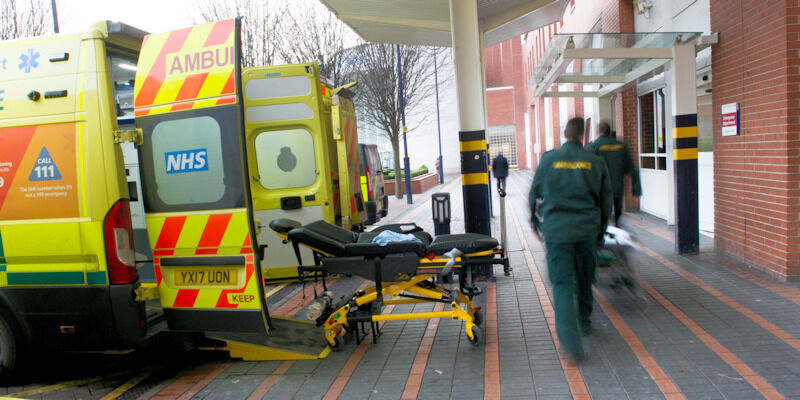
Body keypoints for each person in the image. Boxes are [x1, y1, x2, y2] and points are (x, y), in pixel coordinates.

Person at [529, 117, 613, 361]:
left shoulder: (548, 159)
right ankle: (584, 321)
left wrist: (535, 223)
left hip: (557, 232)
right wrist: (600, 231)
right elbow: (605, 201)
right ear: (582, 135)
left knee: (563, 285)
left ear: (565, 133)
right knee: (586, 277)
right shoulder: (595, 161)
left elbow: (534, 194)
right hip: (586, 231)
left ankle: (571, 346)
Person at [588, 121, 641, 226]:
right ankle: (617, 227)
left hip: (601, 189)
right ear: (610, 132)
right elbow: (631, 167)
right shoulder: (621, 146)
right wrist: (636, 189)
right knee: (617, 213)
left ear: (599, 132)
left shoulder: (593, 147)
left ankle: (604, 233)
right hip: (617, 187)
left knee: (602, 215)